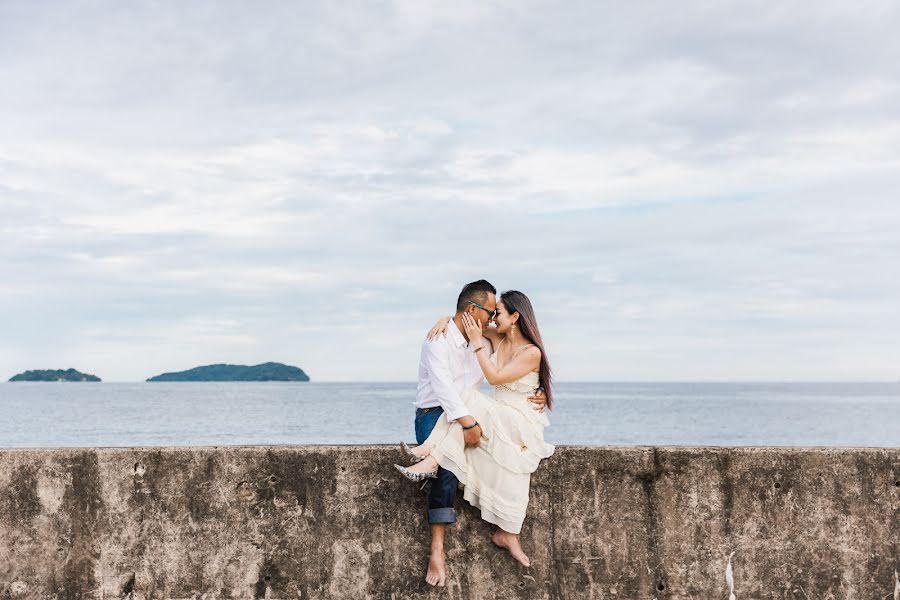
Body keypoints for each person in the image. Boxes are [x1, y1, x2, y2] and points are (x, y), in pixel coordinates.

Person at [396, 289, 554, 574]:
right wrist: (445, 318)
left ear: (515, 317)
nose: (492, 319)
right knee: (454, 463)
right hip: (441, 413)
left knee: (466, 413)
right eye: (490, 312)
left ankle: (432, 455)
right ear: (473, 312)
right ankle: (441, 548)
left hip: (507, 415)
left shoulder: (506, 345)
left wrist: (477, 343)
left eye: (498, 313)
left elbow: (497, 377)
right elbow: (448, 390)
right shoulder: (451, 339)